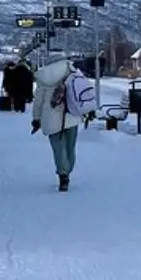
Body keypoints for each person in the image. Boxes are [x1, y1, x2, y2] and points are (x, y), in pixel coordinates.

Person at [31, 57, 97, 191]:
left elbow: (38, 101)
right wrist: (88, 109)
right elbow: (83, 91)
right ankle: (68, 170)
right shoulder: (72, 71)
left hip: (51, 117)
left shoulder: (44, 77)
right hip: (71, 114)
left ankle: (63, 174)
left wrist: (36, 118)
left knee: (58, 148)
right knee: (70, 147)